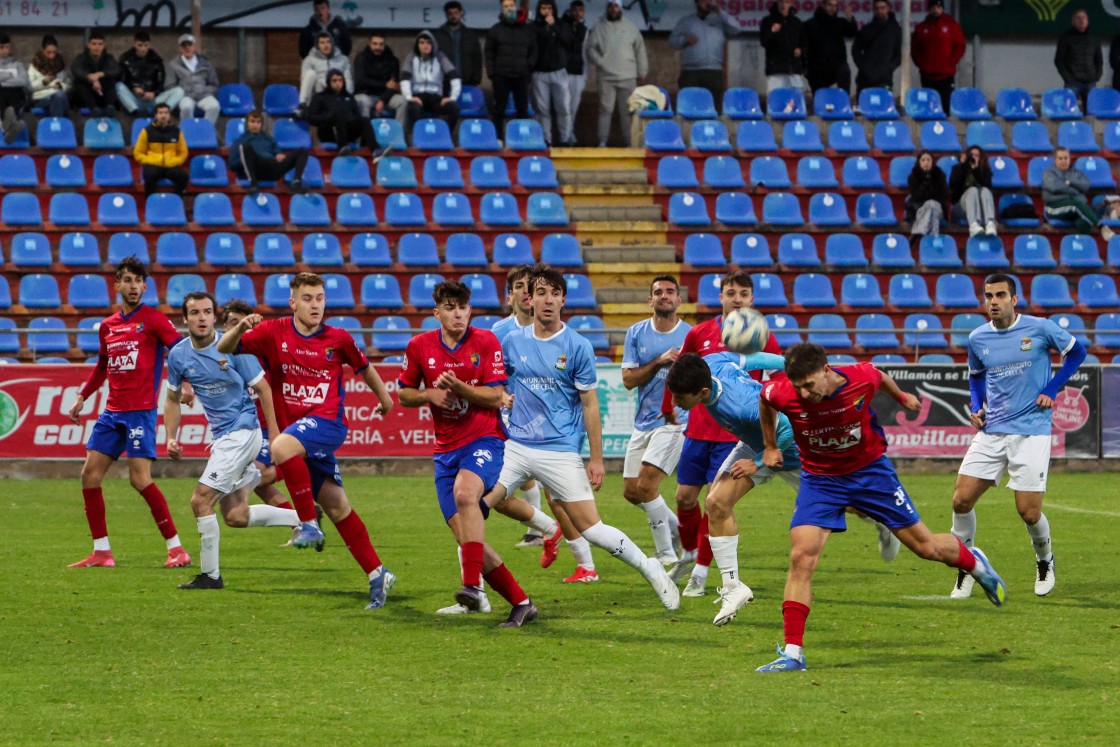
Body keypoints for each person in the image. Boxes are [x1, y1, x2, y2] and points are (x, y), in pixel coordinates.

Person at [755, 343, 1008, 672]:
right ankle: (793, 653)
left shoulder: (860, 378)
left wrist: (902, 397)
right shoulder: (781, 392)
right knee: (801, 558)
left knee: (926, 547)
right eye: (798, 386)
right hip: (821, 481)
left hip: (871, 475)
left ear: (827, 370)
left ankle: (975, 562)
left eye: (810, 384)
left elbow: (880, 375)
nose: (804, 393)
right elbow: (765, 400)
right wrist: (770, 445)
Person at [480, 264, 681, 610]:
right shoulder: (512, 341)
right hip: (516, 446)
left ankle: (652, 570)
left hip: (560, 452)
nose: (546, 300)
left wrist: (597, 459)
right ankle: (475, 593)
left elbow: (590, 404)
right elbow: (498, 384)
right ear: (530, 299)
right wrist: (501, 396)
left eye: (553, 294)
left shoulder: (577, 346)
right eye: (540, 293)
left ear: (562, 301)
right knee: (478, 503)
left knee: (592, 528)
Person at [668, 350, 899, 627]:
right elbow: (757, 359)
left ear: (702, 392)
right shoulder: (713, 362)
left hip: (795, 452)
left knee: (849, 504)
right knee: (716, 502)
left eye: (680, 398)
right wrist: (787, 366)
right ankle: (733, 588)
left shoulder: (741, 406)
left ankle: (882, 520)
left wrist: (757, 462)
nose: (675, 403)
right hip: (757, 445)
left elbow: (787, 427)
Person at [217, 272, 397, 610]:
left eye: (320, 298)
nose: (315, 305)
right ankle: (378, 574)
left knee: (282, 447)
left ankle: (308, 525)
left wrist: (385, 400)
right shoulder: (273, 332)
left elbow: (365, 367)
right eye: (308, 299)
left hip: (328, 423)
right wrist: (241, 328)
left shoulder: (338, 338)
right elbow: (223, 347)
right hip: (300, 435)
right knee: (338, 505)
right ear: (293, 303)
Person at [397, 280, 540, 627]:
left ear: (469, 310)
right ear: (437, 313)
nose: (457, 313)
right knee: (468, 537)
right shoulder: (419, 346)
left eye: (462, 307)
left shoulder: (485, 341)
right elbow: (403, 394)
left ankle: (471, 586)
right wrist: (429, 395)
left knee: (466, 493)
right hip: (445, 452)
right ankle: (522, 602)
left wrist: (459, 387)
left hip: (485, 441)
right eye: (449, 307)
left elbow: (495, 396)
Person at [948, 274, 1087, 601]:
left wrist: (1052, 388)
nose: (992, 301)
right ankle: (968, 567)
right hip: (992, 430)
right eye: (988, 296)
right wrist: (977, 407)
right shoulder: (977, 337)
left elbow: (1078, 353)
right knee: (960, 500)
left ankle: (1044, 561)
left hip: (1031, 431)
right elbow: (976, 377)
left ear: (1014, 299)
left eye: (999, 295)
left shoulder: (1040, 328)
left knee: (1028, 512)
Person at [165, 292, 301, 590]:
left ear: (215, 317)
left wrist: (276, 435)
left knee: (200, 500)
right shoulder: (178, 355)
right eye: (195, 313)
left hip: (242, 433)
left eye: (206, 312)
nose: (201, 318)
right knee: (235, 515)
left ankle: (210, 576)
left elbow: (264, 390)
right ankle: (303, 517)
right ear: (185, 319)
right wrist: (170, 437)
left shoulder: (235, 348)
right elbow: (173, 398)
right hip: (223, 438)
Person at [659, 271, 782, 597]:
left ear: (751, 299)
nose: (737, 298)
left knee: (717, 500)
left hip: (738, 433)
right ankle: (690, 555)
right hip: (700, 429)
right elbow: (679, 371)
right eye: (731, 292)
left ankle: (701, 573)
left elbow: (776, 380)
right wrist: (668, 405)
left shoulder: (761, 335)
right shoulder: (701, 333)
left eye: (743, 293)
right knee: (685, 497)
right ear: (722, 297)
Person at [66, 256, 191, 570]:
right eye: (128, 281)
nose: (133, 286)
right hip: (112, 412)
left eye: (139, 282)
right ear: (117, 284)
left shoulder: (154, 320)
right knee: (89, 475)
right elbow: (102, 368)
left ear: (145, 286)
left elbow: (180, 351)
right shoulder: (108, 326)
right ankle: (101, 552)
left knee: (139, 479)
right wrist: (82, 396)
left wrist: (187, 383)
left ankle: (176, 548)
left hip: (140, 412)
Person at [621, 276, 690, 566]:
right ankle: (681, 531)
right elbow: (627, 380)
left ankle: (666, 554)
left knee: (647, 486)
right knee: (631, 491)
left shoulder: (691, 335)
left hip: (675, 421)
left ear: (678, 300)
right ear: (650, 300)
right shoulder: (636, 333)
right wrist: (659, 362)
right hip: (644, 421)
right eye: (658, 292)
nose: (664, 296)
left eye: (670, 292)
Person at [491, 265, 552, 551]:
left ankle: (569, 543)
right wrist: (502, 396)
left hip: (551, 419)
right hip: (514, 417)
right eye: (519, 286)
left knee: (559, 493)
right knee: (512, 480)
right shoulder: (500, 331)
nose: (526, 291)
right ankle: (542, 531)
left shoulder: (553, 327)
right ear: (509, 296)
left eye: (531, 285)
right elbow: (495, 375)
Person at [220, 300, 300, 516]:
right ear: (226, 327)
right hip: (246, 430)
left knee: (258, 473)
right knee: (263, 489)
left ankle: (231, 502)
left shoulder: (263, 351)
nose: (240, 327)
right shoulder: (221, 356)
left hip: (273, 428)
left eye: (244, 322)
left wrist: (276, 434)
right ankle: (302, 523)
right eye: (234, 322)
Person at [585, 0, 647, 147]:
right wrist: (601, 62)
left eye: (616, 6)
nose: (613, 9)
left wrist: (642, 72)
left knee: (628, 112)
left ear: (620, 8)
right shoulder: (599, 28)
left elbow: (640, 51)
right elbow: (590, 49)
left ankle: (629, 142)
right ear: (606, 8)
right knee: (605, 110)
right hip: (606, 77)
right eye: (610, 6)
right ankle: (602, 142)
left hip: (628, 77)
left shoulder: (631, 27)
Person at [668, 0, 741, 102]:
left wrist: (720, 12)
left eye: (710, 0)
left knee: (712, 106)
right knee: (690, 105)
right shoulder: (686, 21)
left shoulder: (720, 21)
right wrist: (685, 40)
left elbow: (737, 29)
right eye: (704, 0)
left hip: (714, 72)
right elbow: (672, 42)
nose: (707, 3)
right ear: (697, 2)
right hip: (691, 73)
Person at [486, 0, 538, 137]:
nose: (509, 9)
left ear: (516, 7)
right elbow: (489, 53)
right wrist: (492, 74)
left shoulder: (527, 30)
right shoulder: (495, 30)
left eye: (511, 5)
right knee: (499, 109)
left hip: (521, 75)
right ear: (502, 9)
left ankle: (522, 138)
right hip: (501, 76)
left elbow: (534, 50)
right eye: (506, 6)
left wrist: (529, 67)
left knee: (522, 109)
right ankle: (497, 138)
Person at [228, 109, 311, 194]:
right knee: (246, 147)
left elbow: (278, 152)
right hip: (255, 168)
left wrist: (279, 155)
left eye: (258, 122)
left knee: (302, 151)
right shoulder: (239, 141)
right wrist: (245, 159)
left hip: (272, 168)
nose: (255, 125)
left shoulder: (268, 139)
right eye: (252, 122)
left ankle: (296, 183)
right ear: (247, 124)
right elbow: (232, 165)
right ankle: (253, 183)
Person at [531, 0, 574, 147]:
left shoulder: (561, 24)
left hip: (559, 71)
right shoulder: (534, 26)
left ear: (554, 9)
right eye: (543, 8)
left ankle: (564, 139)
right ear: (539, 10)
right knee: (543, 109)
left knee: (563, 107)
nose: (547, 11)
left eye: (549, 8)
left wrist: (553, 26)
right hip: (540, 72)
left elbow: (568, 41)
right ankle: (546, 139)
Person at [399, 30, 461, 132]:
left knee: (454, 108)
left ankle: (445, 135)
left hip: (436, 99)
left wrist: (452, 97)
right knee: (414, 109)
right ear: (417, 44)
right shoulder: (412, 57)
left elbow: (454, 76)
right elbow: (404, 78)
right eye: (422, 42)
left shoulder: (440, 57)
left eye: (428, 42)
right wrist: (409, 97)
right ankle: (419, 137)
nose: (425, 45)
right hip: (417, 98)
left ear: (433, 44)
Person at [911, 0, 966, 114]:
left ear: (942, 8)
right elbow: (915, 49)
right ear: (929, 9)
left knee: (946, 105)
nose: (935, 10)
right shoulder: (922, 27)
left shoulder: (952, 25)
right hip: (928, 75)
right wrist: (922, 65)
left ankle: (946, 130)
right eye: (933, 7)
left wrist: (950, 64)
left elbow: (960, 46)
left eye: (938, 7)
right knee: (928, 106)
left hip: (946, 75)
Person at [1043, 145, 1108, 237]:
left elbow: (1086, 186)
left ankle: (1083, 247)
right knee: (1075, 204)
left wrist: (1069, 183)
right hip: (1055, 207)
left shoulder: (1076, 172)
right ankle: (1101, 227)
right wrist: (1075, 190)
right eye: (1060, 158)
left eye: (1066, 158)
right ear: (1055, 160)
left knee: (1083, 221)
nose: (1063, 161)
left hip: (1075, 207)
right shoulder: (1049, 173)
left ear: (1070, 159)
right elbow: (1055, 187)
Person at [308, 69, 376, 153]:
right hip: (328, 131)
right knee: (338, 115)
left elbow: (356, 115)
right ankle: (343, 147)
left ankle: (374, 150)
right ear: (328, 82)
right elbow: (311, 118)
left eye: (340, 80)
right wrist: (329, 116)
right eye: (334, 80)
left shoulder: (349, 97)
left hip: (347, 130)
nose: (338, 83)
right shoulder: (320, 97)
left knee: (364, 120)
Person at [133, 103, 188, 196]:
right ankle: (150, 202)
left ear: (169, 115)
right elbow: (138, 152)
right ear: (155, 115)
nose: (163, 115)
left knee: (183, 176)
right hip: (153, 165)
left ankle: (177, 201)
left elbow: (183, 152)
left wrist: (176, 161)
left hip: (171, 165)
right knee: (149, 176)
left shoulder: (177, 132)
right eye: (160, 113)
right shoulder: (146, 131)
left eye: (166, 113)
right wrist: (150, 161)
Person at [164, 34, 220, 125]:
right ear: (179, 48)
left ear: (194, 46)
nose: (187, 48)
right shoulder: (173, 65)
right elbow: (169, 86)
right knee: (186, 107)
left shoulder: (206, 62)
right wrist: (186, 90)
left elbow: (214, 84)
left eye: (190, 45)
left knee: (214, 106)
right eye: (184, 46)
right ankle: (187, 134)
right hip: (186, 96)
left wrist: (204, 90)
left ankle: (205, 132)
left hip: (204, 95)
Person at [803, 0, 856, 96]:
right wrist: (804, 67)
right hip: (817, 69)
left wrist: (849, 17)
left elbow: (852, 33)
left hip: (837, 67)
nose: (833, 8)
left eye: (835, 6)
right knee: (820, 102)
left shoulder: (840, 23)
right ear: (823, 5)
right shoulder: (810, 25)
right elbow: (803, 47)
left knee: (844, 70)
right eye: (830, 5)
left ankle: (844, 105)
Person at [1055, 9, 1101, 111]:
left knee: (1092, 112)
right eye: (1078, 18)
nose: (1081, 20)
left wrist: (1097, 75)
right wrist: (1067, 77)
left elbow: (1099, 60)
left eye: (1084, 18)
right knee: (1068, 111)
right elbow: (1059, 60)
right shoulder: (1065, 38)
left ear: (1087, 21)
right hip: (1072, 82)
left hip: (1090, 81)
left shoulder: (1094, 39)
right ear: (1073, 21)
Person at [852, 0, 901, 95]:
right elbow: (855, 49)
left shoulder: (896, 30)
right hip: (865, 78)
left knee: (884, 108)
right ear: (873, 10)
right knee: (863, 108)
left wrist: (889, 67)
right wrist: (862, 66)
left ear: (888, 9)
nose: (879, 11)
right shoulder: (866, 29)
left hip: (884, 78)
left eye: (882, 8)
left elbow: (899, 55)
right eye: (876, 8)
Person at [759, 0, 807, 95]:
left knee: (795, 103)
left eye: (786, 2)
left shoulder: (797, 22)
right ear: (777, 2)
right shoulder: (768, 21)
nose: (783, 5)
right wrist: (772, 31)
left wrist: (800, 50)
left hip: (793, 69)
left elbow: (804, 44)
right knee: (775, 102)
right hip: (775, 70)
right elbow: (764, 42)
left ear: (791, 3)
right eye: (781, 2)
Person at [353, 32, 405, 119]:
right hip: (366, 94)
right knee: (362, 100)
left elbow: (394, 86)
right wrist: (384, 84)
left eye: (381, 44)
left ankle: (400, 131)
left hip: (386, 96)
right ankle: (366, 131)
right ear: (369, 43)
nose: (378, 47)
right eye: (375, 44)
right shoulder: (361, 58)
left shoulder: (392, 60)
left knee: (402, 101)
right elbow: (361, 81)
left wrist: (382, 100)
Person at [433, 1, 484, 88]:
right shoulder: (437, 35)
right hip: (444, 82)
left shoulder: (470, 35)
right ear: (446, 15)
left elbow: (477, 59)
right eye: (450, 13)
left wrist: (476, 79)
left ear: (461, 13)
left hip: (467, 82)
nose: (453, 16)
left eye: (456, 13)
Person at [116, 31, 167, 116]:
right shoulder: (125, 59)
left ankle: (162, 112)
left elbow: (161, 82)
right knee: (118, 86)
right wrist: (134, 88)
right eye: (140, 45)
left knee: (178, 91)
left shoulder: (156, 60)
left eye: (146, 45)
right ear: (134, 44)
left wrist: (154, 93)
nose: (143, 49)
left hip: (152, 99)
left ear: (149, 45)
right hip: (134, 98)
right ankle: (136, 111)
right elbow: (122, 79)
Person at [949, 145, 996, 237]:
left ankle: (990, 223)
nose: (974, 157)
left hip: (981, 208)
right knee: (972, 190)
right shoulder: (958, 168)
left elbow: (988, 187)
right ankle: (973, 224)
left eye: (977, 155)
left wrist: (976, 170)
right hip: (961, 207)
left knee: (985, 190)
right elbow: (954, 185)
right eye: (972, 155)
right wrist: (962, 165)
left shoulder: (985, 171)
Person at [70, 32, 120, 115]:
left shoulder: (109, 58)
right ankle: (93, 108)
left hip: (102, 92)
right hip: (87, 95)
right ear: (89, 45)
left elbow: (116, 70)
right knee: (79, 84)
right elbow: (76, 70)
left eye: (100, 44)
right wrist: (91, 78)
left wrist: (100, 74)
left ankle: (109, 106)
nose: (97, 47)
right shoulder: (81, 58)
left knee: (112, 80)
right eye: (94, 44)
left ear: (104, 46)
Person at [906, 149, 949, 245]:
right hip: (920, 209)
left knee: (932, 204)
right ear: (919, 162)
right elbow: (916, 197)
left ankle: (917, 232)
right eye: (923, 160)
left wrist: (930, 182)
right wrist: (924, 182)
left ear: (932, 162)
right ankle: (933, 242)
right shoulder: (913, 177)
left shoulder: (940, 175)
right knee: (932, 215)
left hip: (938, 208)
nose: (926, 162)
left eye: (928, 160)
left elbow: (943, 196)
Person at [299, 32, 352, 108]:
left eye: (328, 42)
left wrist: (347, 96)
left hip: (337, 91)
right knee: (310, 73)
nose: (326, 45)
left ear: (333, 44)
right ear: (317, 45)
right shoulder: (308, 60)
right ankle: (302, 106)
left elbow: (348, 79)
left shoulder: (343, 60)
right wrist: (324, 85)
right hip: (318, 91)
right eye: (322, 43)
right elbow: (304, 80)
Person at [560, 1, 588, 145]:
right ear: (570, 11)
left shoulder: (584, 29)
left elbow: (585, 52)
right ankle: (564, 135)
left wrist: (585, 75)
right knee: (564, 106)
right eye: (575, 10)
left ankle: (570, 132)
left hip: (578, 72)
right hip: (564, 71)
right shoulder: (563, 25)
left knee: (573, 107)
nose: (577, 13)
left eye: (580, 10)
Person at [29, 35, 71, 119]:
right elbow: (29, 87)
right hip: (41, 97)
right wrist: (44, 82)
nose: (52, 56)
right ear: (43, 50)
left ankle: (55, 126)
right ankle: (59, 125)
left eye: (54, 52)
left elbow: (69, 84)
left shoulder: (60, 64)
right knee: (60, 99)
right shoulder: (34, 65)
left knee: (59, 97)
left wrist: (61, 85)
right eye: (49, 52)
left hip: (58, 94)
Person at [0, 33, 28, 144]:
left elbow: (23, 81)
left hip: (15, 95)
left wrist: (2, 81)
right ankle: (12, 125)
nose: (5, 50)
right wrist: (10, 75)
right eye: (1, 47)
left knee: (15, 91)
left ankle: (8, 125)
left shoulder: (17, 64)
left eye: (7, 47)